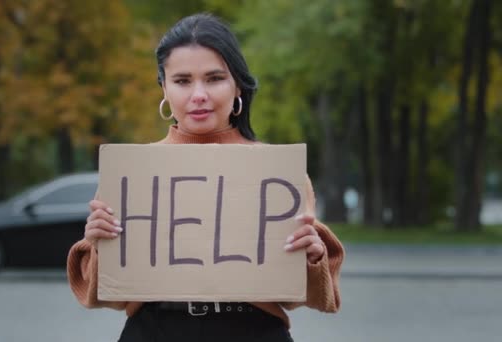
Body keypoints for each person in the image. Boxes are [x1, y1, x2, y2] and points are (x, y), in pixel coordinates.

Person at [67, 13, 344, 342]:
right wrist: (100, 246)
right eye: (182, 81)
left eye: (214, 78)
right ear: (164, 88)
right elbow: (109, 296)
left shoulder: (277, 172)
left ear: (237, 84)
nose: (198, 94)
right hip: (154, 332)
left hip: (253, 333)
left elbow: (299, 297)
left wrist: (311, 257)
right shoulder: (132, 171)